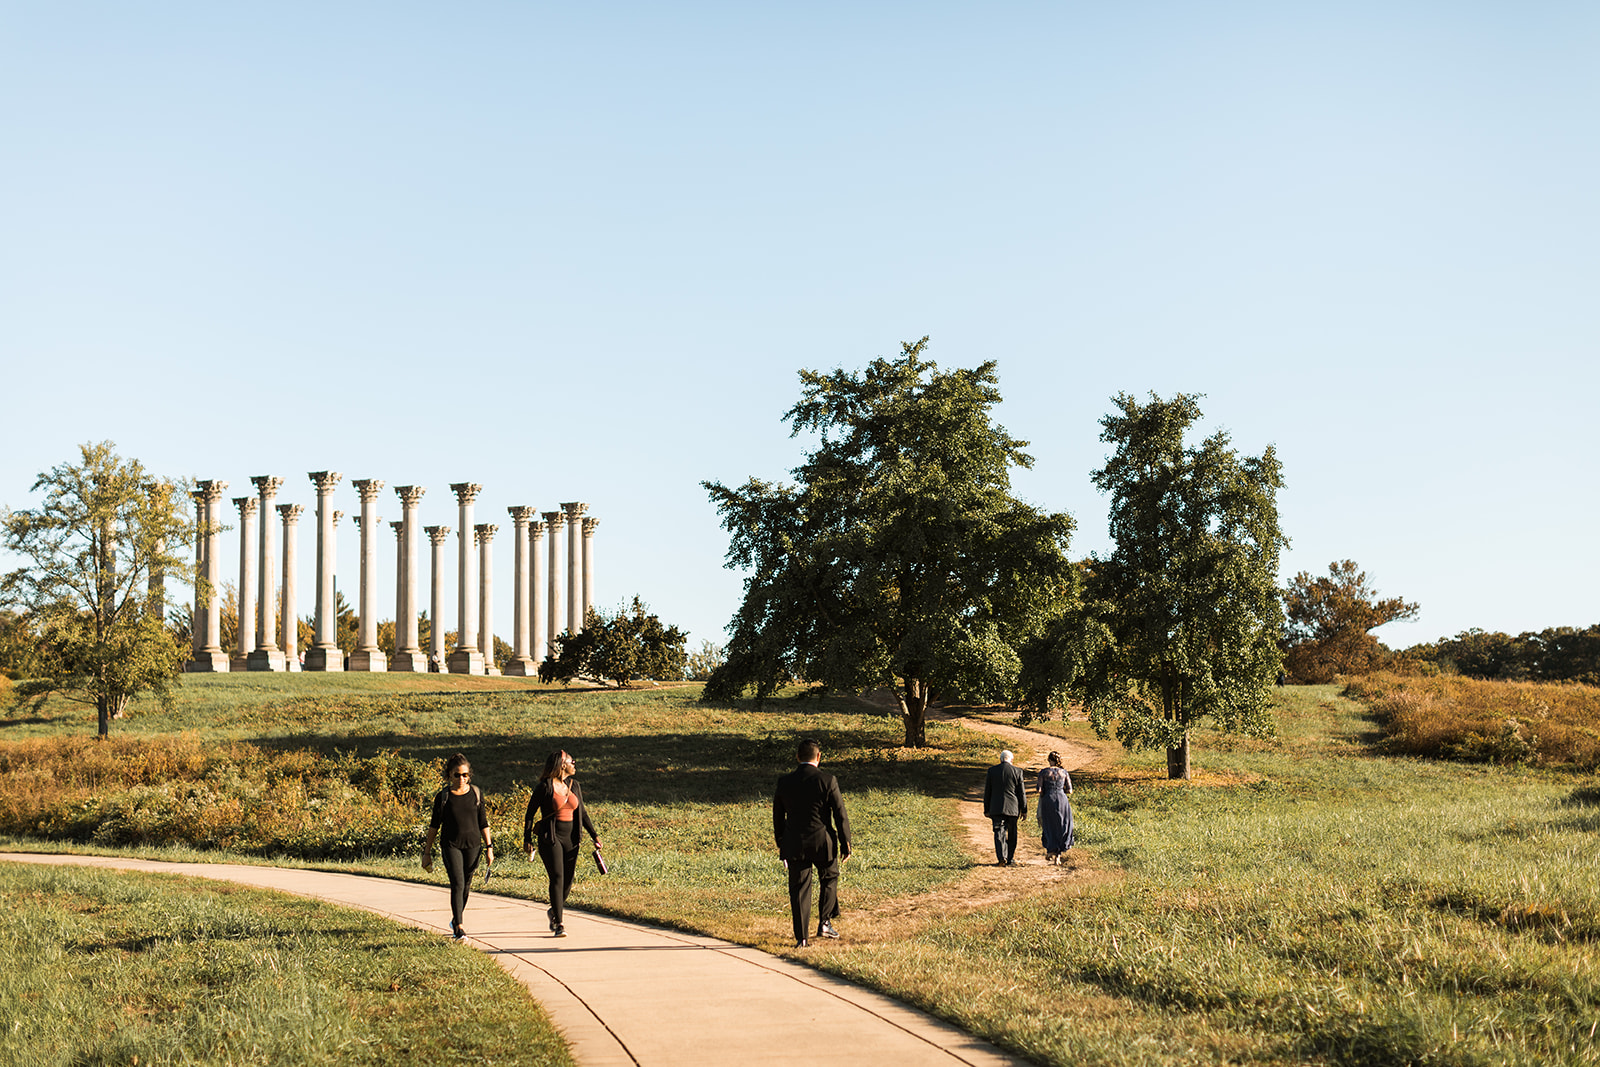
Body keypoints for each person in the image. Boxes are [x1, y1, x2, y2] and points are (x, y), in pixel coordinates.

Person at [772, 738, 852, 949]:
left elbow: (778, 817)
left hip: (795, 843)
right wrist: (846, 844)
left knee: (799, 890)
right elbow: (840, 814)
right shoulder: (828, 780)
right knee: (829, 878)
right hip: (822, 841)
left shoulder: (784, 782)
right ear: (819, 757)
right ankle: (824, 922)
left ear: (797, 757)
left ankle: (802, 938)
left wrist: (781, 843)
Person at [524, 750, 600, 938]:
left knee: (568, 879)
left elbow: (582, 813)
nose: (575, 764)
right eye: (572, 761)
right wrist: (527, 839)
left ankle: (554, 910)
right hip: (551, 837)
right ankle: (559, 922)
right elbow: (530, 814)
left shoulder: (575, 786)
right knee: (557, 877)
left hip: (571, 838)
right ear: (562, 764)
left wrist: (594, 835)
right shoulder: (544, 787)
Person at [422, 752, 493, 941]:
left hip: (473, 846)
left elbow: (483, 822)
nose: (461, 779)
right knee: (458, 883)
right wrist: (427, 853)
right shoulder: (443, 797)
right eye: (457, 775)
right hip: (450, 845)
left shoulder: (476, 793)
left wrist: (489, 847)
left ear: (469, 775)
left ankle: (456, 919)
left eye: (465, 775)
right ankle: (459, 928)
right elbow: (434, 826)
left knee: (467, 885)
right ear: (449, 776)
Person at [983, 749, 1027, 866]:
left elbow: (988, 791)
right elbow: (1021, 793)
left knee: (999, 832)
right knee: (1012, 834)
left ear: (1001, 759)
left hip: (996, 807)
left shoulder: (992, 771)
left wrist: (986, 808)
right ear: (1012, 760)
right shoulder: (1017, 771)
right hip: (1013, 808)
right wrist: (1024, 809)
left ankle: (1001, 857)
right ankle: (1010, 857)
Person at [1037, 751, 1074, 865]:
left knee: (1049, 824)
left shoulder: (1044, 772)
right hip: (1062, 799)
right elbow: (1070, 790)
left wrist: (1046, 791)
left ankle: (1049, 850)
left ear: (1049, 760)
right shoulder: (1064, 773)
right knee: (1062, 825)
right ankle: (1058, 855)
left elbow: (1039, 789)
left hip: (1048, 799)